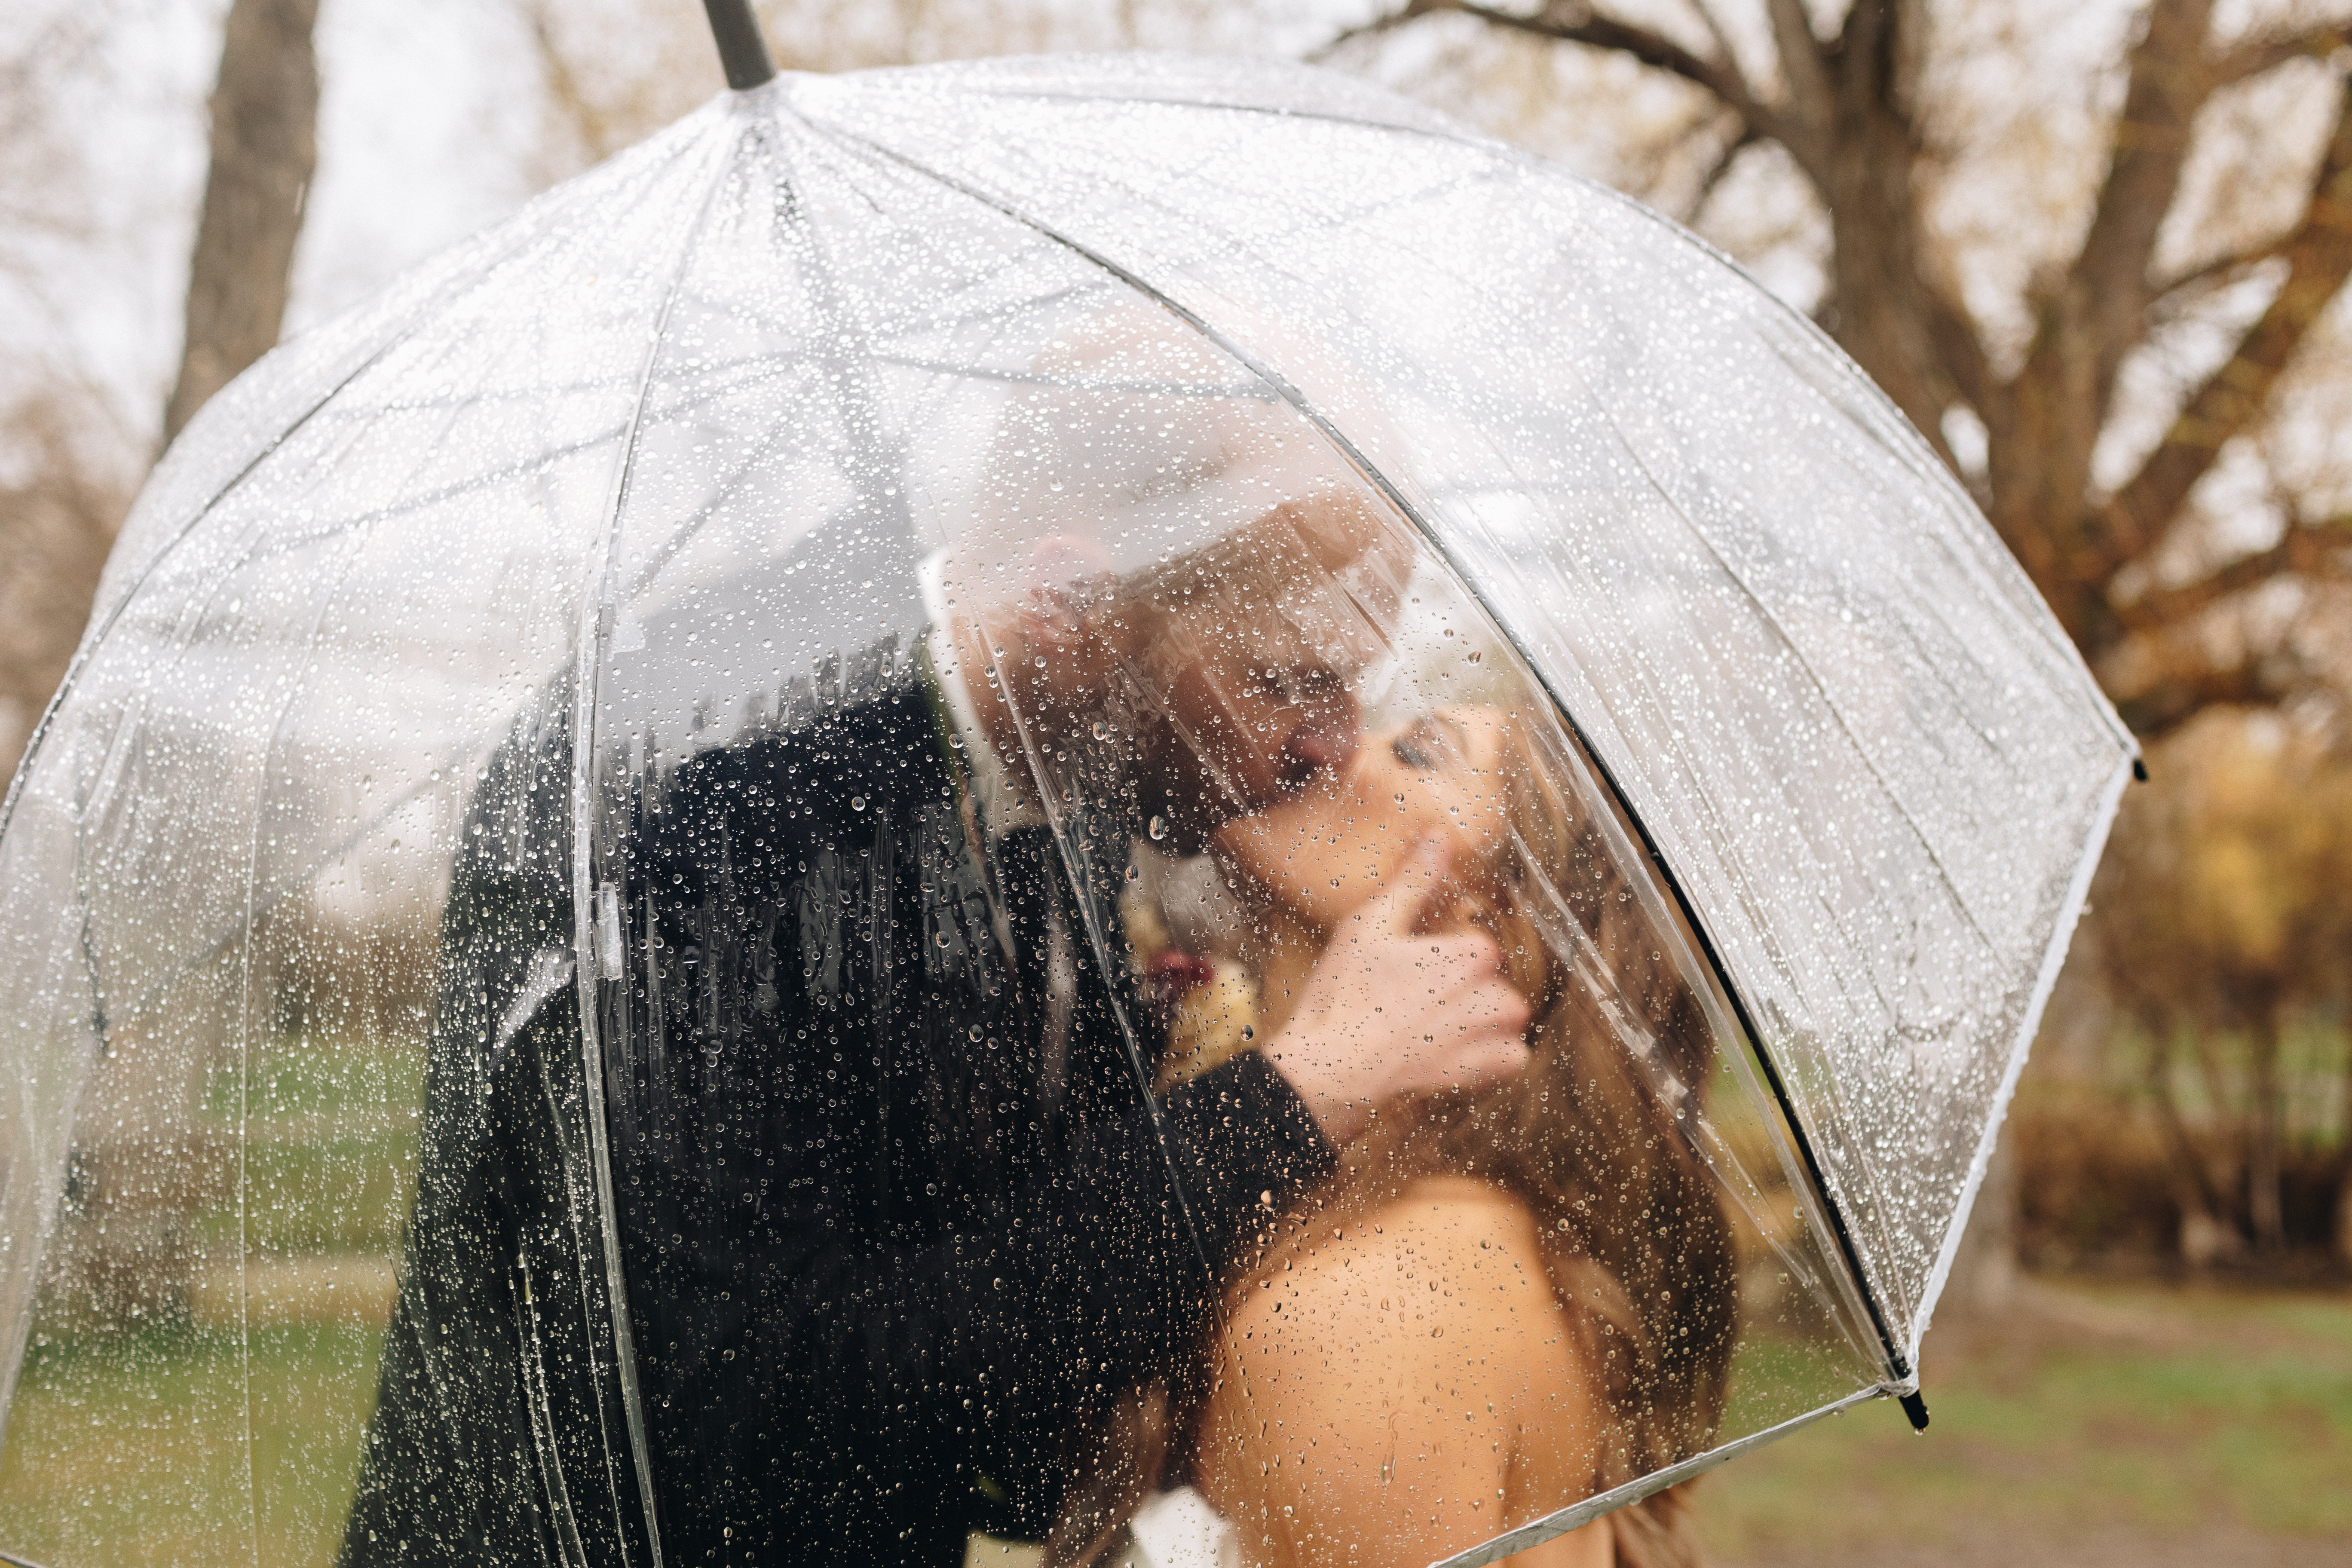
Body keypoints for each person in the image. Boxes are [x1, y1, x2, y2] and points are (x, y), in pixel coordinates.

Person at [339, 480, 1535, 1568]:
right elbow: (767, 1396)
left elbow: (1006, 1320)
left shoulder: (1069, 783)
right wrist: (1294, 1095)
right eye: (1286, 675)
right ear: (1070, 598)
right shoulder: (701, 758)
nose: (1333, 745)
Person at [1057, 701, 1740, 1568]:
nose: (1338, 740)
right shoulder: (1346, 1211)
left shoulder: (1387, 1306)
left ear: (1494, 920)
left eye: (1420, 752)